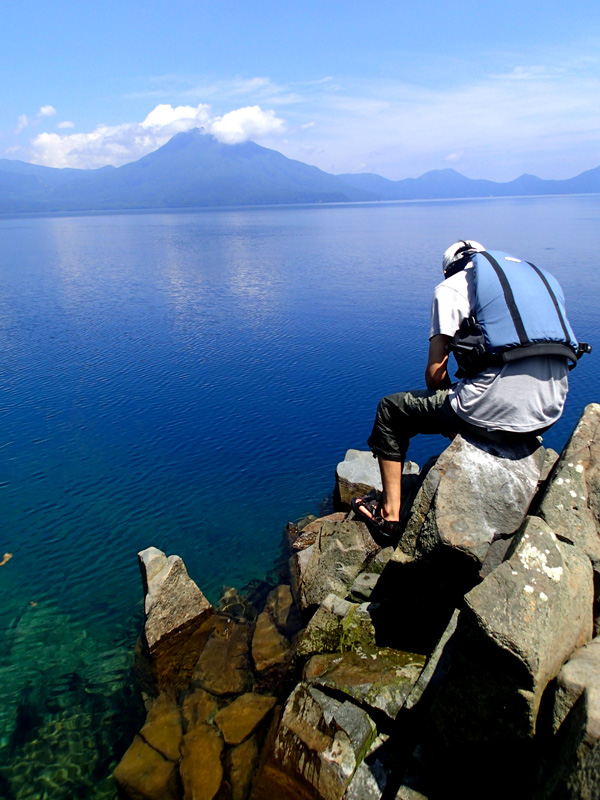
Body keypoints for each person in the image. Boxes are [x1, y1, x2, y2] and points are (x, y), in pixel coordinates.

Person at [351, 240, 575, 546]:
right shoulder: (533, 281)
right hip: (551, 408)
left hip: (494, 408)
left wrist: (450, 415)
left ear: (447, 270)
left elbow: (435, 373)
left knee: (390, 410)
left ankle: (389, 516)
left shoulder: (451, 287)